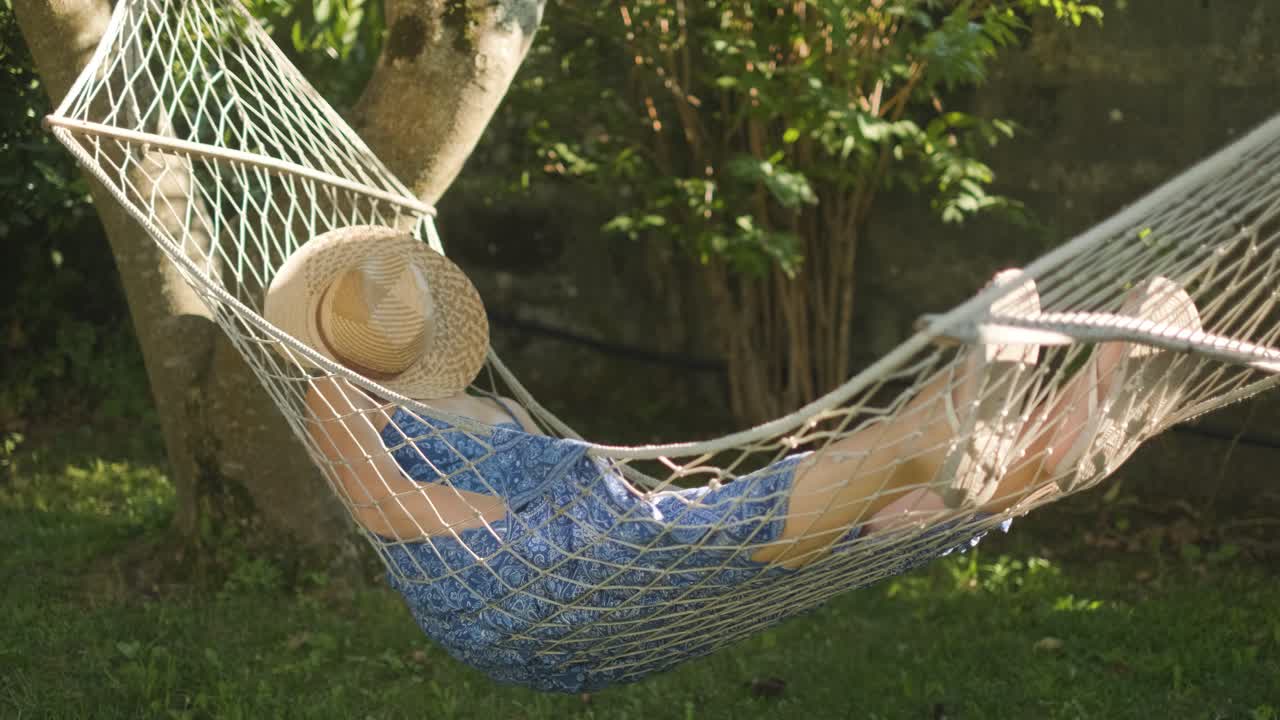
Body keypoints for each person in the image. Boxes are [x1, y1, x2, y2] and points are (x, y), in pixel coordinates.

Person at [264, 225, 1203, 692]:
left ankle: (1067, 432)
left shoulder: (489, 400)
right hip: (518, 585)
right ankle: (946, 420)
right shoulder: (339, 390)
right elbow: (381, 501)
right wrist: (510, 534)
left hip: (600, 563)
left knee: (889, 518)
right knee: (826, 485)